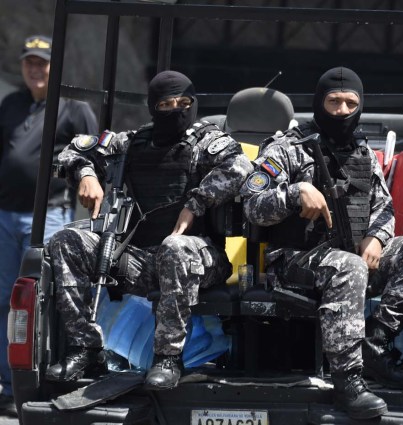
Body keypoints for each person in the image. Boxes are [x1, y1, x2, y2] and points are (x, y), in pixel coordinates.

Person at [241, 66, 403, 420]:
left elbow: (385, 206)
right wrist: (295, 193)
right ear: (318, 103)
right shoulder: (287, 148)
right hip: (294, 262)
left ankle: (375, 344)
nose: (342, 111)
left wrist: (376, 237)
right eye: (333, 102)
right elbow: (251, 205)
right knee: (349, 267)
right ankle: (348, 383)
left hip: (352, 258)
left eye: (350, 103)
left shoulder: (361, 151)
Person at [44, 70, 253, 390]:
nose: (177, 110)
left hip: (199, 258)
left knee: (175, 246)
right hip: (140, 258)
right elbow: (72, 151)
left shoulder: (205, 141)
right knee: (65, 240)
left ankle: (168, 358)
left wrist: (195, 203)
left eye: (184, 102)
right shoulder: (132, 143)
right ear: (154, 107)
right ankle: (85, 347)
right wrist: (87, 173)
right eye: (167, 104)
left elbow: (239, 167)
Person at [0, 35, 97, 414]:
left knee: (53, 300)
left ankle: (52, 378)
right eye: (30, 62)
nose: (36, 69)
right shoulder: (12, 104)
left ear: (56, 67)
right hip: (5, 217)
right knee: (9, 302)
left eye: (43, 62)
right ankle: (10, 385)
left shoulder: (74, 109)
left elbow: (95, 158)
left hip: (50, 217)